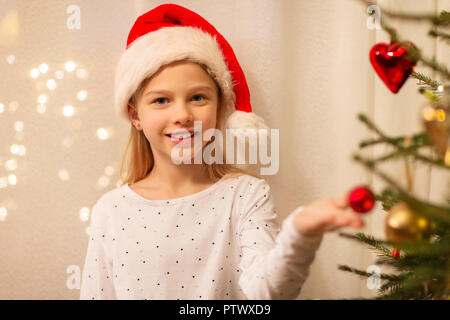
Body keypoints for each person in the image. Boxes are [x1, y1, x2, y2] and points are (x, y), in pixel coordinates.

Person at [79, 3, 364, 300]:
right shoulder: (110, 211)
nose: (183, 115)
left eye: (198, 97)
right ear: (135, 114)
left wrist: (299, 235)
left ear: (220, 108)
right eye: (161, 100)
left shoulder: (246, 197)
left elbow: (265, 295)